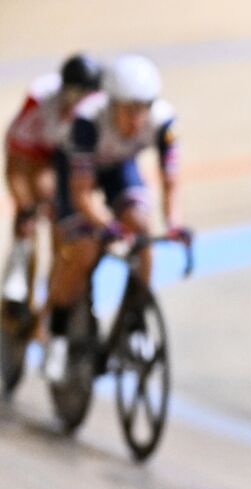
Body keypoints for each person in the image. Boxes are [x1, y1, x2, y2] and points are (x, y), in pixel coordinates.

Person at [44, 53, 184, 381]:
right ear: (111, 104)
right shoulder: (86, 122)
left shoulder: (163, 122)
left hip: (120, 167)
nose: (137, 119)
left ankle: (133, 323)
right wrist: (108, 226)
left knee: (143, 232)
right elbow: (81, 193)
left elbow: (171, 181)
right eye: (129, 110)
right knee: (84, 250)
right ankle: (57, 338)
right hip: (76, 172)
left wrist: (174, 223)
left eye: (143, 109)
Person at [2, 53, 103, 316]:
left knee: (62, 221)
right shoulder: (39, 100)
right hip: (28, 152)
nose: (79, 105)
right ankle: (19, 265)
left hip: (60, 157)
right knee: (27, 211)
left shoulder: (91, 114)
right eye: (74, 96)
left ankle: (58, 300)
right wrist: (26, 207)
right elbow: (16, 162)